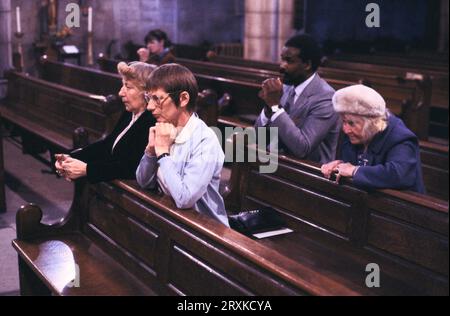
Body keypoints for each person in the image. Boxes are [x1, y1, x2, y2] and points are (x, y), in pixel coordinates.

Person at [136, 63, 229, 227]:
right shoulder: (165, 128)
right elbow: (143, 182)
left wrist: (163, 154)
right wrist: (150, 152)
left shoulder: (205, 140)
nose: (150, 107)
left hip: (206, 231)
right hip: (172, 218)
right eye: (148, 98)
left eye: (157, 98)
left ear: (183, 98)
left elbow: (185, 199)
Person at [55, 61, 156, 183]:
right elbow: (108, 145)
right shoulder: (130, 114)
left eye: (128, 87)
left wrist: (88, 169)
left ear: (147, 93)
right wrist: (70, 158)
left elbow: (131, 167)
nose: (121, 93)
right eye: (122, 85)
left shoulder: (151, 122)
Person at [321, 84, 425, 193]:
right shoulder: (353, 134)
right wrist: (339, 165)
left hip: (402, 206)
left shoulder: (400, 138)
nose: (346, 130)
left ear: (371, 123)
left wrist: (355, 171)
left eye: (351, 123)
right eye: (344, 121)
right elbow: (352, 166)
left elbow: (399, 175)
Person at [255, 34, 340, 163]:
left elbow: (302, 148)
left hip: (309, 174)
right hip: (279, 163)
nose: (281, 66)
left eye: (289, 61)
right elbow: (257, 137)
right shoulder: (285, 88)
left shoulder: (326, 99)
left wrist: (275, 106)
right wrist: (268, 108)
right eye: (282, 59)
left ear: (307, 64)